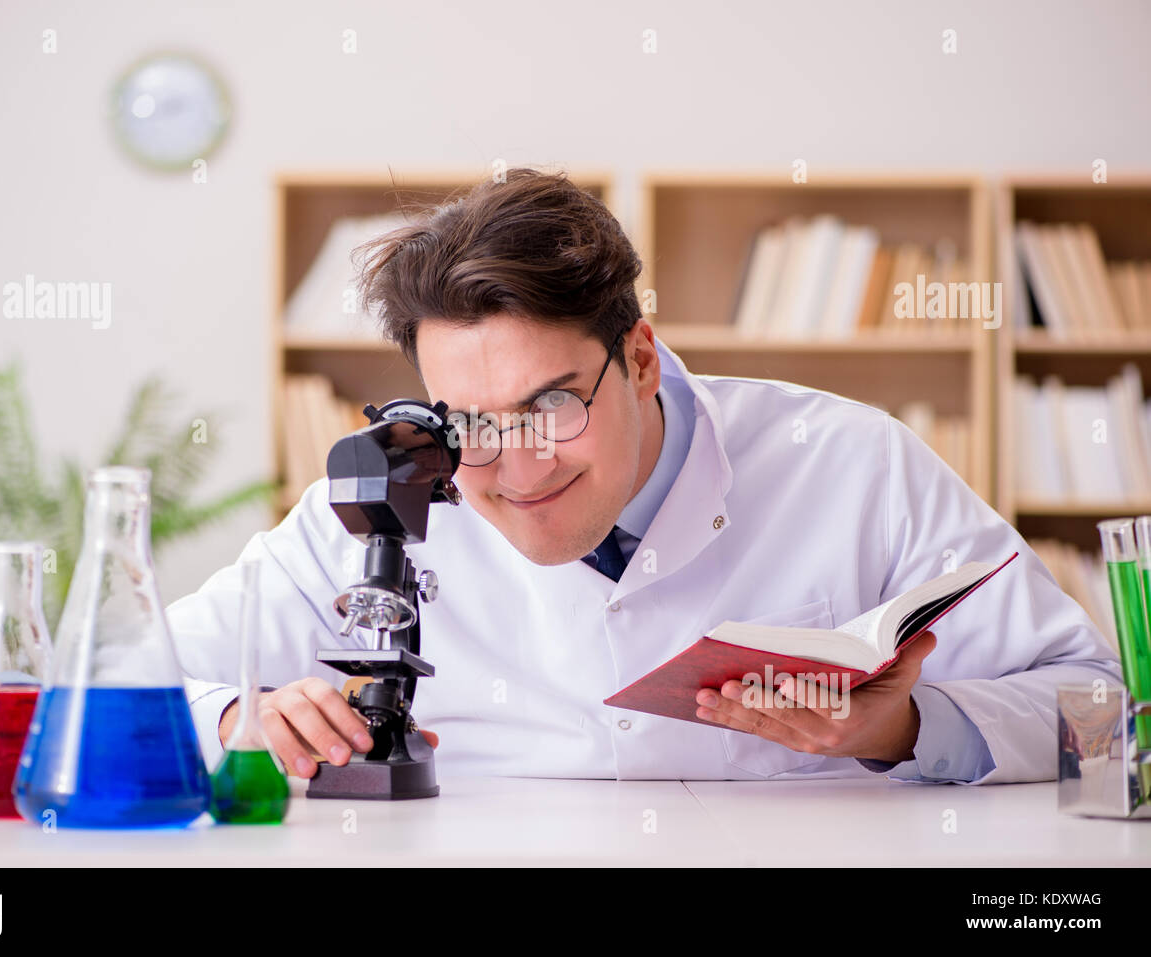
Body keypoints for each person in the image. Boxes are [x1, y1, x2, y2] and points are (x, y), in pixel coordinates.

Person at [167, 168, 1122, 784]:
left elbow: (1102, 707)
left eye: (552, 405)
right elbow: (114, 678)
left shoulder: (852, 461)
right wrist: (233, 715)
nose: (517, 467)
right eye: (473, 422)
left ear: (640, 358)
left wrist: (904, 726)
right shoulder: (388, 490)